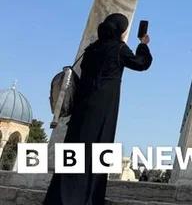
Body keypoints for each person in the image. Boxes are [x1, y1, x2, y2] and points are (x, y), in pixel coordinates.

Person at [44, 13, 152, 205]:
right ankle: (88, 198)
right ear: (121, 30)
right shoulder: (119, 48)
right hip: (103, 107)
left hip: (81, 107)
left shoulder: (92, 49)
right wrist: (143, 44)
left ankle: (60, 197)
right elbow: (141, 63)